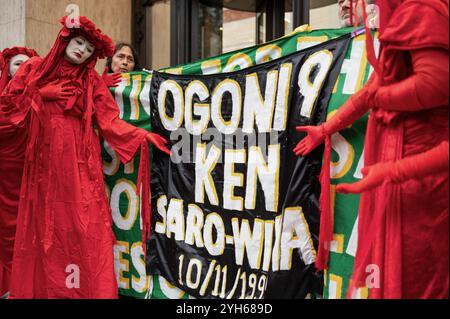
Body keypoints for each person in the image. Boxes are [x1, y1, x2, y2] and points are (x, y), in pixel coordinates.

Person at [0, 16, 170, 299]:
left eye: (89, 49)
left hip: (79, 164)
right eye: (79, 43)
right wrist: (43, 92)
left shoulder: (91, 81)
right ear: (66, 39)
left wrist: (143, 137)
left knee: (83, 224)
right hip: (44, 165)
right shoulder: (35, 69)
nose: (82, 50)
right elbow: (9, 105)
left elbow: (109, 121)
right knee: (47, 228)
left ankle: (82, 291)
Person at [294, 0, 448, 298]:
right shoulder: (406, 13)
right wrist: (326, 129)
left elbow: (434, 84)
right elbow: (372, 90)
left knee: (417, 279)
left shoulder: (421, 8)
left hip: (422, 184)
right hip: (403, 178)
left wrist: (382, 99)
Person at [0, 46, 39, 299]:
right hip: (3, 180)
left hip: (30, 178)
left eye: (28, 64)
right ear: (7, 69)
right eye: (17, 64)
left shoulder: (40, 97)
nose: (23, 67)